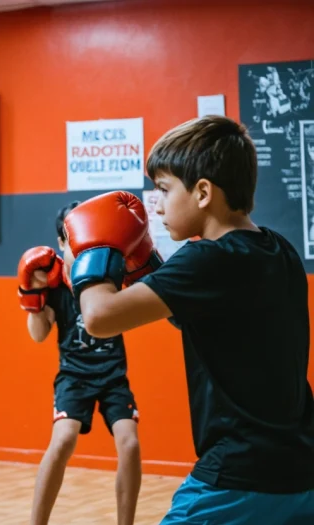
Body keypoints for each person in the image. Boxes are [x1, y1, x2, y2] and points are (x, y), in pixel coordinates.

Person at [62, 115, 314, 524]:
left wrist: (91, 254)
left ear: (202, 192)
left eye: (163, 189)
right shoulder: (278, 250)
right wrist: (145, 268)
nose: (155, 204)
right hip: (300, 471)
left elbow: (98, 318)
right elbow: (200, 316)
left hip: (236, 477)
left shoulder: (206, 258)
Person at [17, 201, 141, 525]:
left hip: (113, 375)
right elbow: (38, 334)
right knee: (63, 440)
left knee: (129, 443)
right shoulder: (53, 285)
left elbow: (129, 314)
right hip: (74, 376)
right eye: (72, 240)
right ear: (61, 243)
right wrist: (30, 293)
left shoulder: (108, 275)